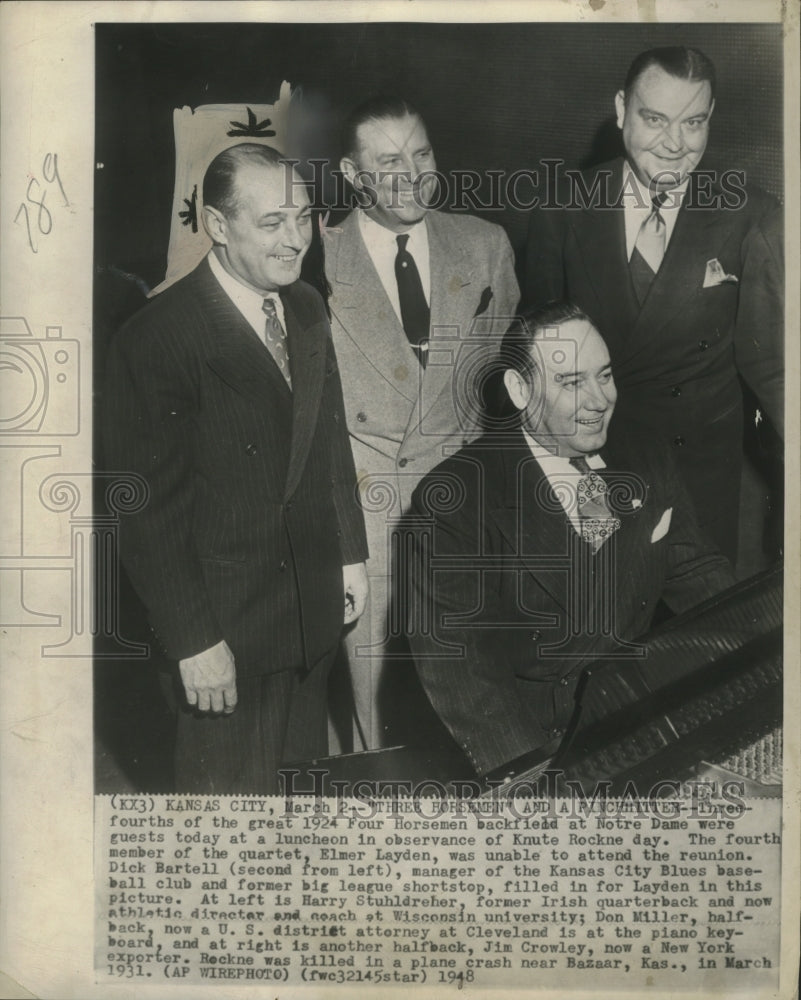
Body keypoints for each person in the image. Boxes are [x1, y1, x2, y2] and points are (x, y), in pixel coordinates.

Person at [102, 143, 369, 794]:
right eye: (272, 222)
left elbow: (327, 440)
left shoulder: (305, 305)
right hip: (226, 635)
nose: (295, 240)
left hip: (310, 614)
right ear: (218, 226)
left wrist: (350, 555)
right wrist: (193, 642)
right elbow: (146, 515)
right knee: (228, 823)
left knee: (299, 806)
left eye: (302, 218)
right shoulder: (156, 337)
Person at [405, 302, 735, 778]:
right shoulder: (456, 498)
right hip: (539, 745)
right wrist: (536, 783)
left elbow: (699, 574)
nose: (599, 400)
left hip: (641, 715)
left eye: (605, 375)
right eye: (572, 382)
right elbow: (463, 673)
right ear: (520, 390)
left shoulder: (644, 452)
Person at [525, 46, 783, 564]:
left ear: (711, 117)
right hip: (596, 463)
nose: (674, 144)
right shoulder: (562, 207)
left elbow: (773, 365)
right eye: (655, 119)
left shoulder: (750, 213)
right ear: (622, 110)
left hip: (703, 472)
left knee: (703, 607)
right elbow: (538, 361)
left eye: (693, 123)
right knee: (606, 595)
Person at [323, 96, 520, 749]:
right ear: (352, 174)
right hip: (366, 514)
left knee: (471, 695)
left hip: (461, 503)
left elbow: (495, 380)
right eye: (387, 163)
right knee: (374, 707)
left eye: (422, 154)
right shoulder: (314, 258)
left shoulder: (484, 245)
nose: (411, 176)